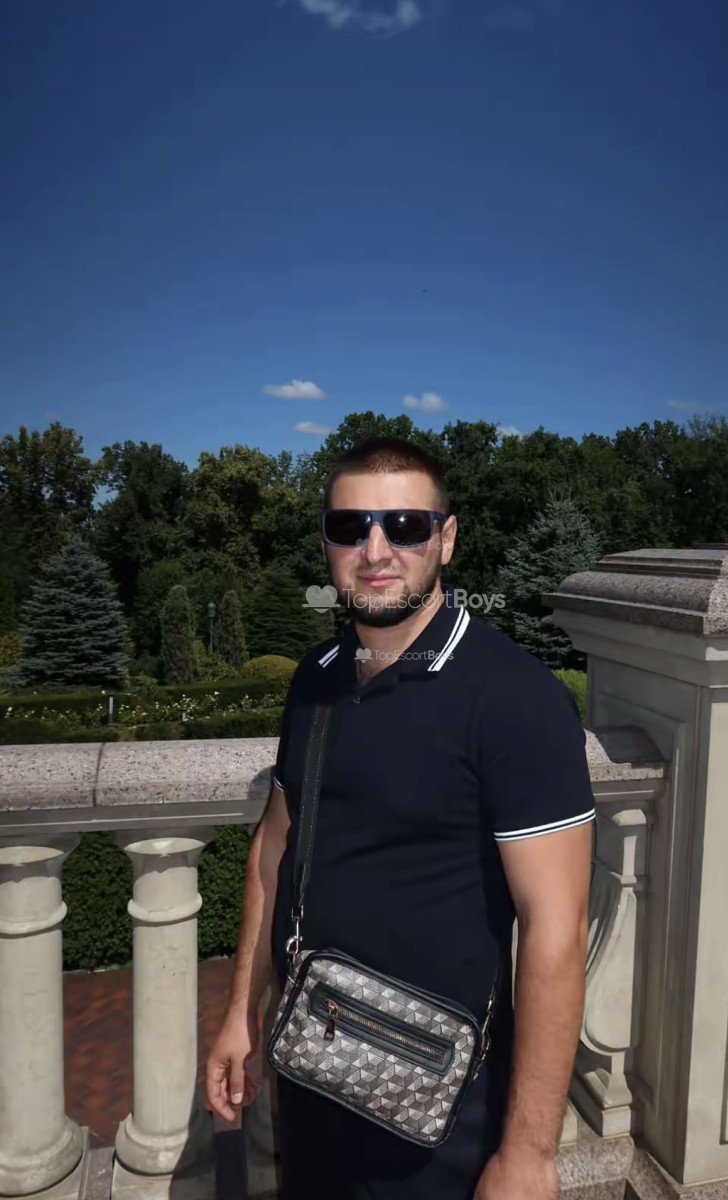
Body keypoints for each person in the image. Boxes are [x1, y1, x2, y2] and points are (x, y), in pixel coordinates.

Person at [206, 436, 595, 1200]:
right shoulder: (316, 680)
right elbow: (275, 848)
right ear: (326, 542)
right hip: (313, 1076)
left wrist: (528, 1155)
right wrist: (241, 1014)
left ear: (446, 539)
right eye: (350, 527)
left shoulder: (514, 699)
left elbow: (556, 930)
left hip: (441, 1120)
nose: (376, 550)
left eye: (406, 526)